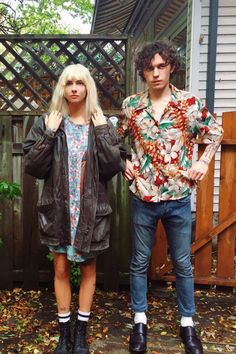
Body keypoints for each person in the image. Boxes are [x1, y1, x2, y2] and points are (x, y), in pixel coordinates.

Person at [118, 41, 223, 354]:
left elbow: (215, 131)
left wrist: (203, 161)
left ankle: (187, 324)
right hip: (143, 196)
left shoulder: (189, 103)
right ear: (143, 71)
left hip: (178, 196)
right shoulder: (131, 106)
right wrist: (123, 162)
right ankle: (140, 321)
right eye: (150, 68)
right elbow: (115, 140)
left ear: (171, 66)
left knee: (182, 263)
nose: (155, 73)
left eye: (161, 66)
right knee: (139, 262)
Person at [23, 63, 126, 354]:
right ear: (62, 88)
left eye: (80, 83)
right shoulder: (48, 122)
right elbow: (33, 165)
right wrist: (49, 134)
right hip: (59, 210)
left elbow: (111, 166)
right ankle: (64, 333)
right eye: (68, 83)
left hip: (90, 210)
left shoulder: (101, 124)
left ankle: (81, 334)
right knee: (60, 269)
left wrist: (105, 130)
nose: (74, 89)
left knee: (90, 269)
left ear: (88, 87)